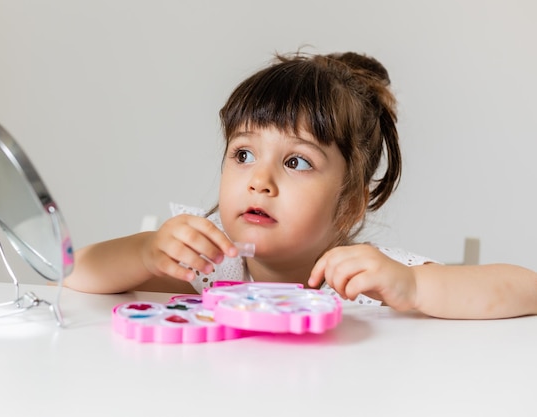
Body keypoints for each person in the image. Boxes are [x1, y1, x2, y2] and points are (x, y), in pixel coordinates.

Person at [65, 51, 537, 319]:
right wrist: (145, 251)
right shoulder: (214, 270)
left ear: (350, 202)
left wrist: (412, 287)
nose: (259, 180)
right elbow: (72, 273)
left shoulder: (367, 280)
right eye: (243, 154)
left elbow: (527, 289)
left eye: (296, 161)